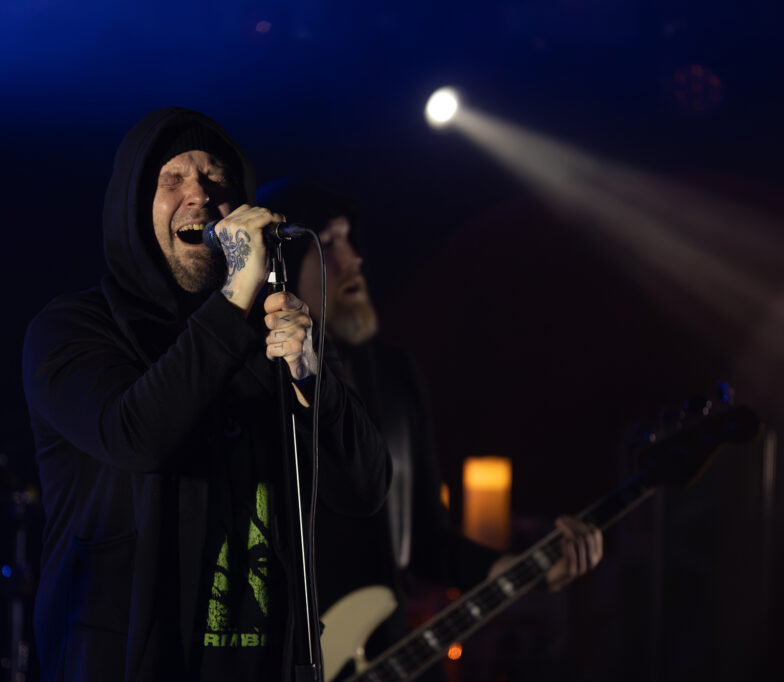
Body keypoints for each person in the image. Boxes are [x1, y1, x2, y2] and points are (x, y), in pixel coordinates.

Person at [21, 108, 390, 682]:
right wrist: (236, 296)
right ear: (134, 207)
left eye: (216, 180)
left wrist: (314, 381)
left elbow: (364, 489)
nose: (198, 194)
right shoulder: (72, 329)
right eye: (172, 180)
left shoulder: (281, 327)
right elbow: (137, 436)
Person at [257, 178, 604, 681]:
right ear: (280, 268)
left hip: (387, 651)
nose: (353, 259)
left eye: (350, 239)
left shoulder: (394, 377)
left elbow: (426, 539)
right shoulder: (252, 379)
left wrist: (518, 570)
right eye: (328, 243)